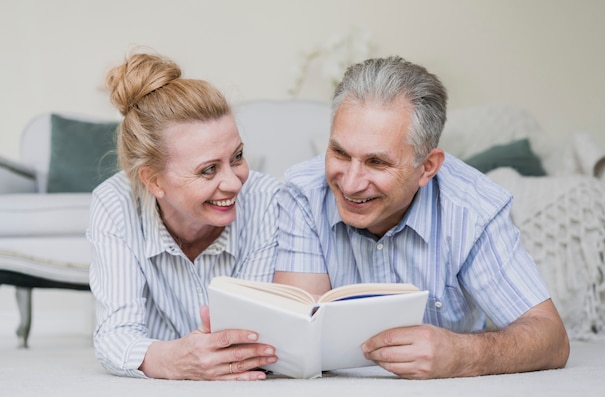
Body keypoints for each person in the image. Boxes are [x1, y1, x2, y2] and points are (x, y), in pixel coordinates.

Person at [274, 56, 570, 379]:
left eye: (376, 162)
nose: (350, 183)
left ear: (427, 167)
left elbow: (552, 338)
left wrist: (460, 354)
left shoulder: (474, 210)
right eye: (340, 153)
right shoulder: (303, 192)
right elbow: (298, 335)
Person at [87, 51, 279, 380]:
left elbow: (254, 337)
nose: (234, 182)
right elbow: (114, 336)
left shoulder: (266, 200)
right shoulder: (113, 204)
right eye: (208, 170)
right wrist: (172, 359)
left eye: (237, 156)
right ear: (153, 181)